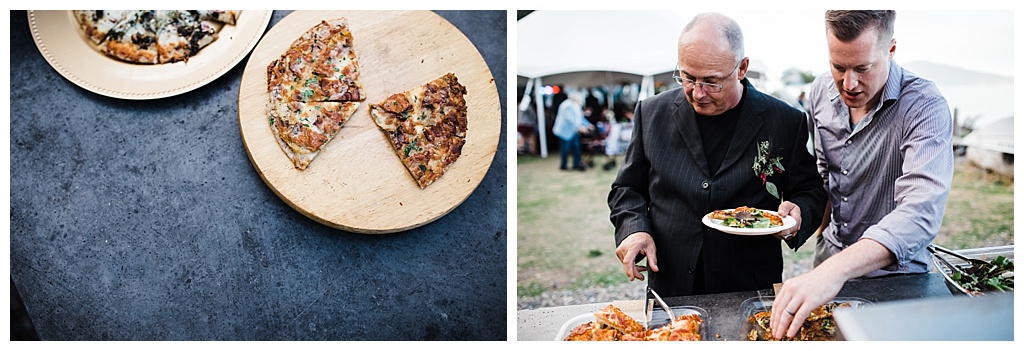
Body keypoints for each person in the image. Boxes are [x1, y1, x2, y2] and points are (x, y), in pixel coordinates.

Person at [608, 13, 827, 298]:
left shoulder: (786, 121)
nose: (698, 93)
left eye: (712, 82)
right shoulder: (651, 113)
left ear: (742, 68)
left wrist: (798, 214)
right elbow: (627, 188)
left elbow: (811, 191)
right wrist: (634, 229)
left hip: (750, 285)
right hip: (671, 283)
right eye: (687, 77)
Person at [769, 10, 953, 339]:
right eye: (838, 67)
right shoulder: (820, 92)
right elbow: (826, 178)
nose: (849, 84)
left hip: (895, 280)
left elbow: (921, 212)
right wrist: (802, 214)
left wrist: (834, 272)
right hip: (828, 260)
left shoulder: (925, 106)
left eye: (863, 68)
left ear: (891, 49)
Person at [552, 91, 592, 171]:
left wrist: (588, 125)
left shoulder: (576, 106)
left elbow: (580, 118)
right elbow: (569, 119)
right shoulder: (567, 105)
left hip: (574, 131)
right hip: (565, 132)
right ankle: (563, 166)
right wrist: (580, 128)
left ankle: (576, 164)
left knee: (577, 148)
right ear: (575, 98)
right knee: (565, 149)